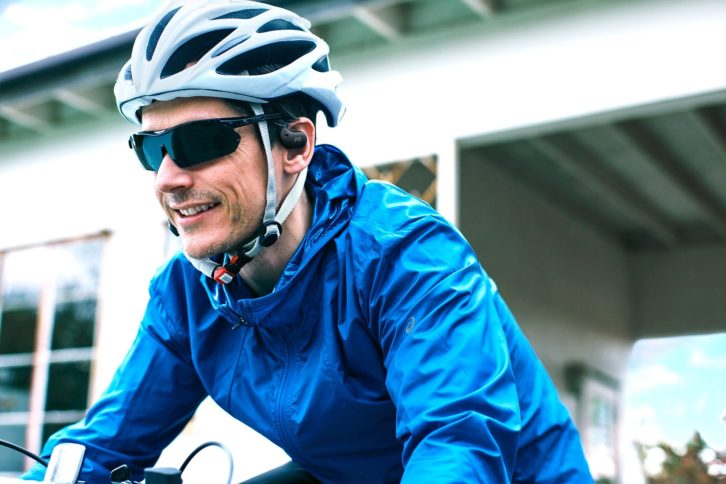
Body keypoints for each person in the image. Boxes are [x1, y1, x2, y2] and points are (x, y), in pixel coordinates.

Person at [17, 1, 592, 482]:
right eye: (151, 149)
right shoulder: (188, 294)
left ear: (294, 145)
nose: (168, 176)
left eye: (198, 143)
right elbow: (103, 447)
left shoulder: (407, 256)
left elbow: (458, 443)